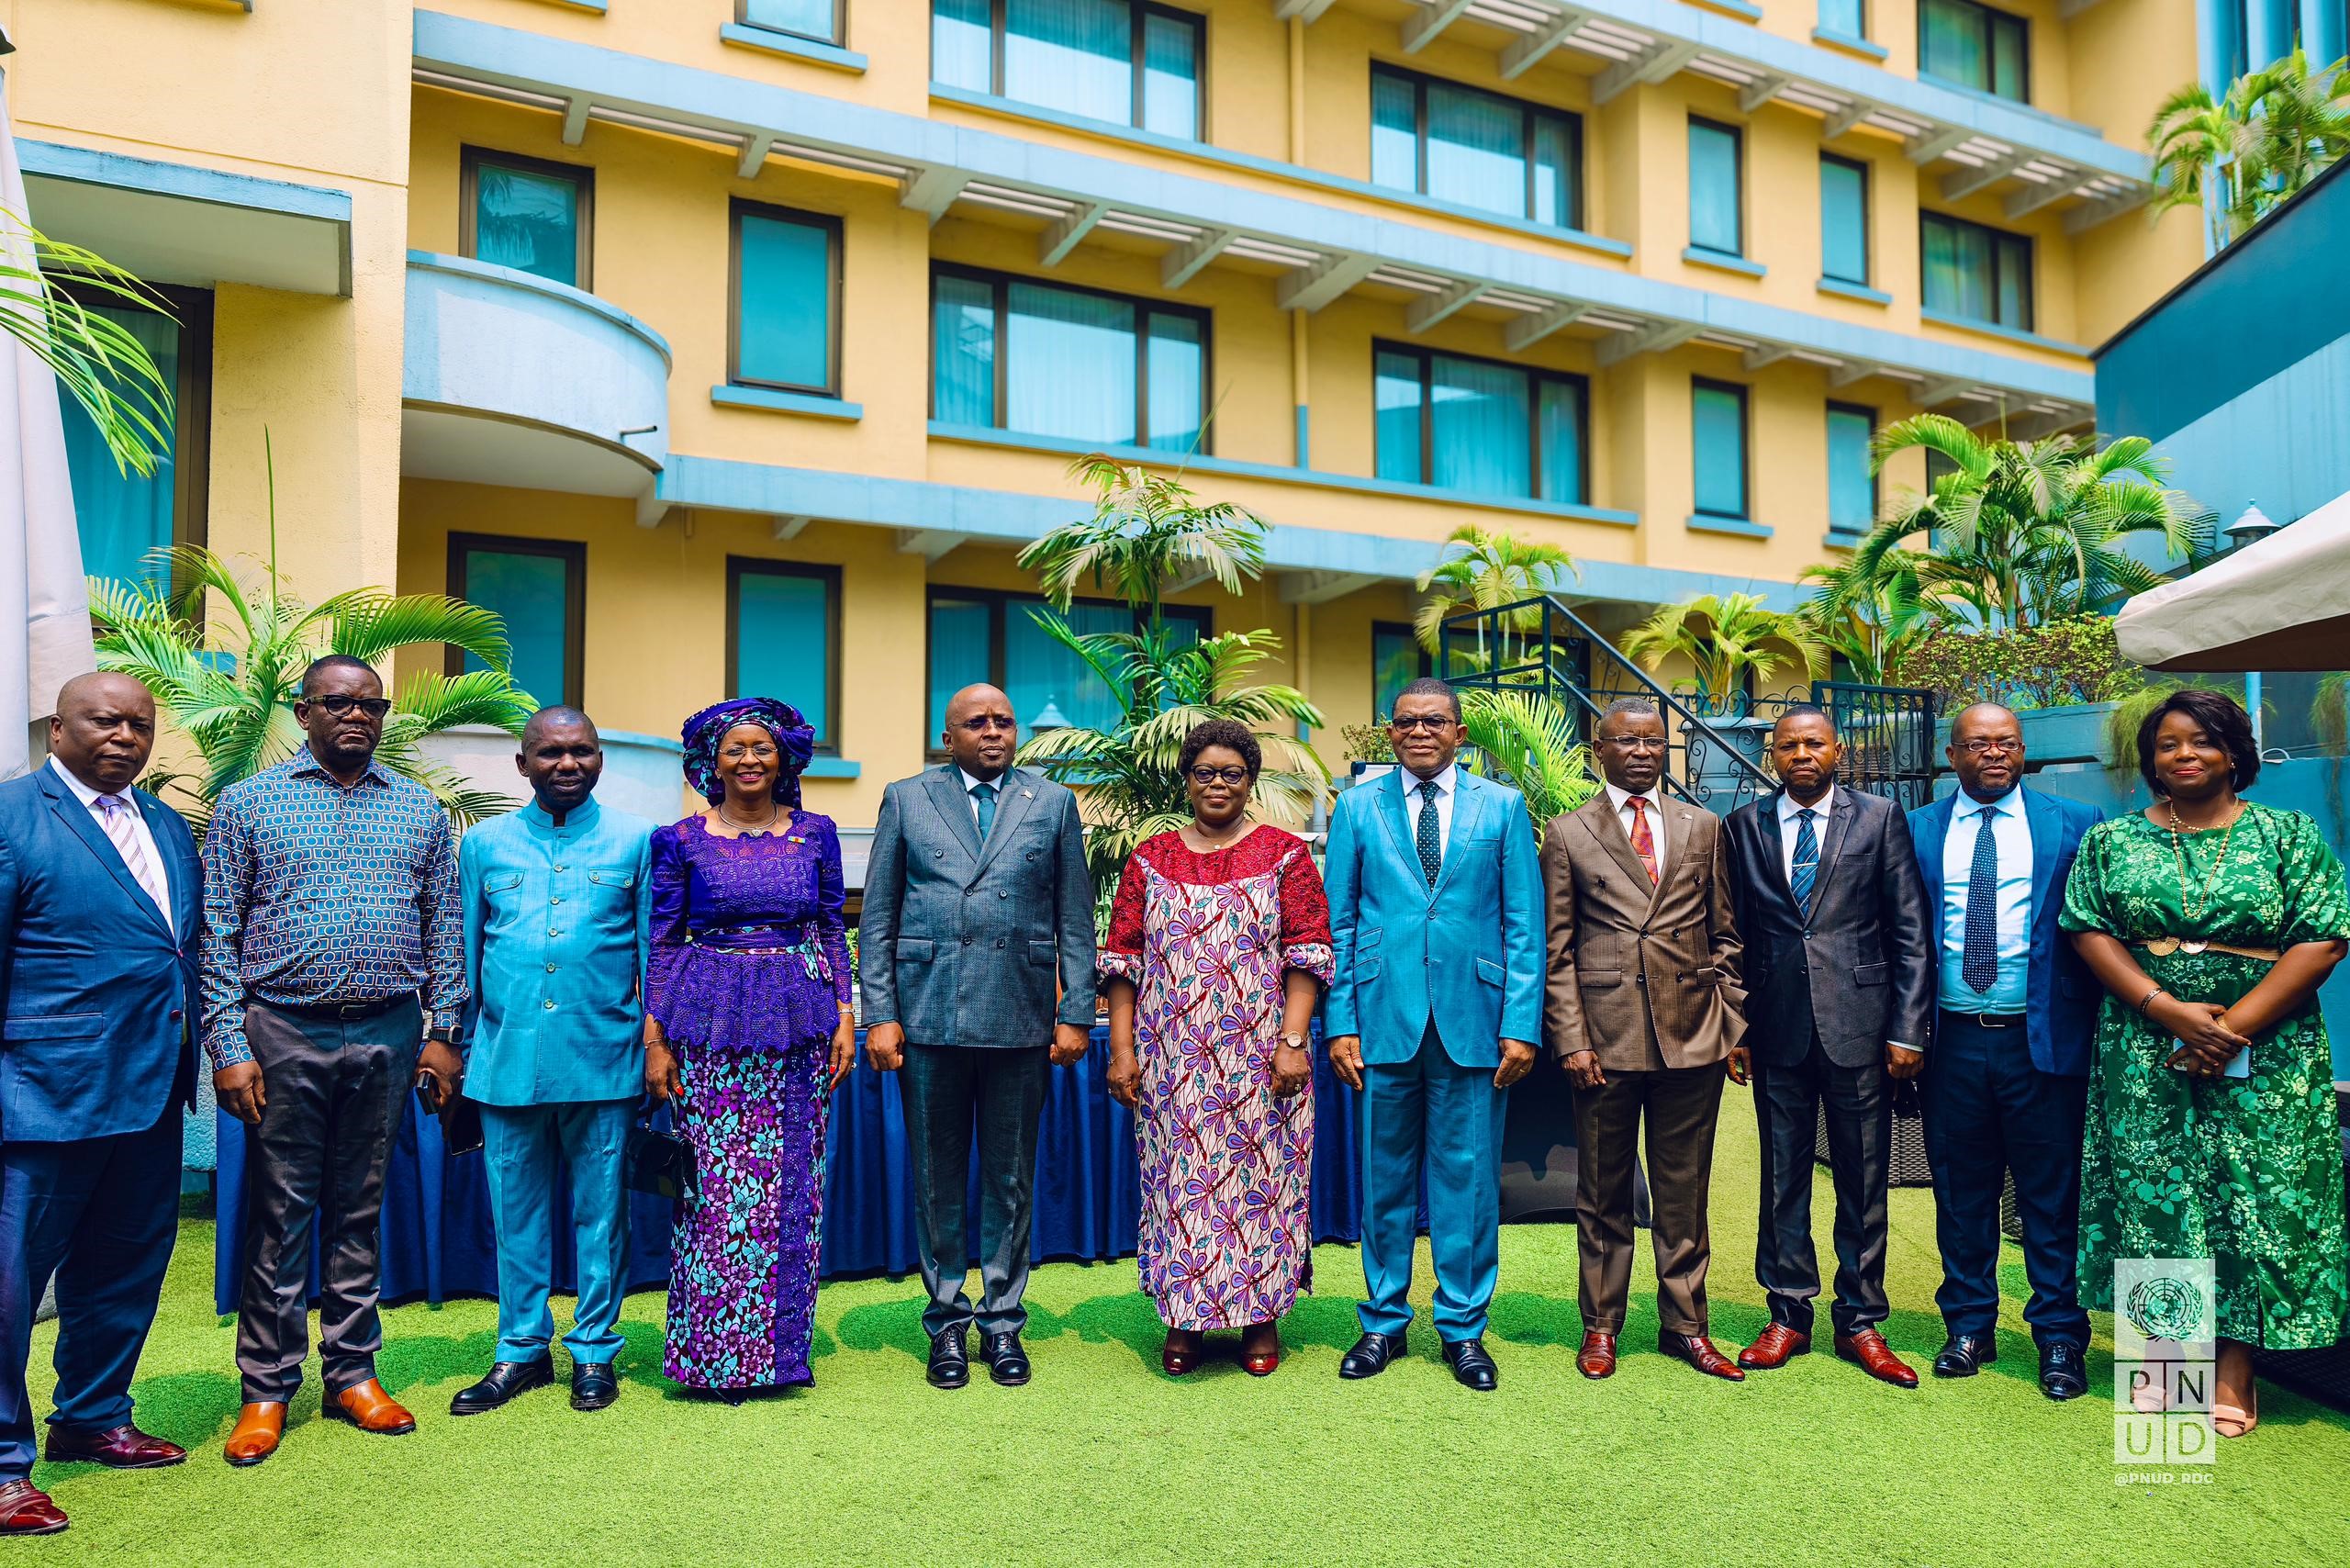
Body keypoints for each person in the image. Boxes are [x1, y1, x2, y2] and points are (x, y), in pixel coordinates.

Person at [2063, 689, 2348, 1438]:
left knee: (2256, 1199)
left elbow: (2322, 938)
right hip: (2146, 1048)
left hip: (2272, 1052)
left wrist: (2230, 1030)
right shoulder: (2113, 842)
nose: (2183, 755)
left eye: (2201, 741)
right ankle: (2166, 1359)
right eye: (2167, 745)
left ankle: (2234, 1368)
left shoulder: (2288, 835)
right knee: (2162, 1197)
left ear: (2233, 752)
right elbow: (2089, 930)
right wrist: (2167, 1010)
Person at [204, 656, 465, 1466]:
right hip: (284, 1030)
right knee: (281, 1214)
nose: (356, 715)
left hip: (387, 1031)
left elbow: (445, 928)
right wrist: (229, 1044)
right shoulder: (248, 805)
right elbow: (216, 931)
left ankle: (352, 1373)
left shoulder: (421, 811)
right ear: (304, 711)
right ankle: (266, 1389)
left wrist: (443, 1031)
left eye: (371, 704)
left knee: (360, 1208)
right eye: (338, 702)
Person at [0, 675, 199, 1536]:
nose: (124, 736)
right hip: (41, 1098)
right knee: (10, 1288)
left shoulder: (166, 826)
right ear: (57, 725)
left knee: (125, 1267)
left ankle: (91, 1414)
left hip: (152, 1092)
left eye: (140, 725)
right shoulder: (13, 815)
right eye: (104, 720)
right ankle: (4, 1467)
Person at [858, 684, 1096, 1391]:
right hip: (927, 1014)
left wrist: (1075, 1009)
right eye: (976, 723)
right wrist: (880, 1013)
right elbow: (878, 915)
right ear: (948, 735)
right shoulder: (907, 797)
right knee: (935, 1177)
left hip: (1021, 1016)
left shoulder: (1051, 803)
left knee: (1010, 1178)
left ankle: (1002, 1322)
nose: (993, 731)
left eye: (1003, 720)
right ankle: (947, 1323)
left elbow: (1075, 916)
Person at [1324, 677, 1542, 1393]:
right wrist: (1342, 1021)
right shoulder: (1356, 808)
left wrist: (1519, 1023)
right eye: (1407, 722)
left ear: (1460, 732)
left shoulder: (1503, 808)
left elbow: (1523, 926)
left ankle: (1463, 1329)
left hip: (1474, 1023)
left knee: (1468, 1181)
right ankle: (1382, 1323)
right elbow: (1342, 924)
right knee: (1382, 1183)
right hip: (1382, 1021)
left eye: (1435, 721)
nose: (1421, 732)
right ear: (1390, 734)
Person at [1100, 721, 1331, 1377]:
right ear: (1187, 779)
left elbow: (1309, 954)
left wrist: (1292, 1042)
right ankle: (1184, 1322)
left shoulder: (1287, 855)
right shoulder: (1151, 859)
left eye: (1232, 772)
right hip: (1172, 1060)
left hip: (1261, 1058)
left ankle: (1259, 1320)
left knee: (1262, 1183)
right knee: (1179, 1184)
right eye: (1205, 772)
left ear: (1251, 781)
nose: (1219, 784)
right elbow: (1122, 962)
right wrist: (1122, 1050)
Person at [643, 698, 855, 1401]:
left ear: (784, 758)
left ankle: (779, 1357)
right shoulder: (679, 839)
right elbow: (665, 940)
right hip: (708, 1024)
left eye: (761, 747)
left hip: (799, 1023)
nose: (749, 760)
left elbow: (831, 929)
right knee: (714, 1193)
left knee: (790, 1186)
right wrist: (656, 1038)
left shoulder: (818, 834)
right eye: (735, 748)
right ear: (712, 761)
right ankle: (712, 1360)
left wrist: (846, 1016)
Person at [450, 707, 653, 1417]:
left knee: (603, 1217)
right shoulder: (484, 844)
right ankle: (520, 1352)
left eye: (582, 752)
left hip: (605, 1059)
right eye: (550, 754)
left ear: (599, 758)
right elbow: (463, 960)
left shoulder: (636, 841)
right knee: (517, 1217)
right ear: (522, 764)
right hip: (506, 1064)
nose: (567, 764)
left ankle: (595, 1352)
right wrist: (451, 1046)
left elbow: (654, 959)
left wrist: (657, 1049)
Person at [1724, 707, 1933, 1388]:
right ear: (1774, 755)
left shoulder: (1879, 818)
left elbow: (1909, 931)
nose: (1802, 754)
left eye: (1814, 743)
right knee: (1782, 1177)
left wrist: (1907, 1029)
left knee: (1864, 1179)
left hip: (1864, 1028)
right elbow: (1734, 934)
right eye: (1789, 746)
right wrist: (1737, 1027)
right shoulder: (1744, 825)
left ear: (1837, 750)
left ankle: (1861, 1320)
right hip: (1777, 1028)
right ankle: (1787, 1312)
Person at [1541, 698, 1746, 1383]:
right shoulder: (1569, 833)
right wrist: (1571, 1038)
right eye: (1626, 741)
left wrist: (1731, 1018)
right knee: (1603, 1194)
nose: (1641, 752)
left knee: (1684, 1192)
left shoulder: (1703, 826)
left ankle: (1686, 1327)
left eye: (1653, 741)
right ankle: (1601, 1326)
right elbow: (1557, 949)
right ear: (1598, 750)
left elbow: (1725, 933)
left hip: (1693, 1040)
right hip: (1604, 1042)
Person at [1908, 703, 2104, 1401]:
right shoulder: (1919, 829)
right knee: (1961, 1192)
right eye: (1977, 744)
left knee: (2050, 1195)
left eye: (2007, 743)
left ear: (2024, 753)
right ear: (1952, 755)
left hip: (2043, 1040)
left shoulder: (2075, 824)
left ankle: (2057, 1335)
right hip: (1950, 1040)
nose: (1994, 753)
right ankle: (1968, 1326)